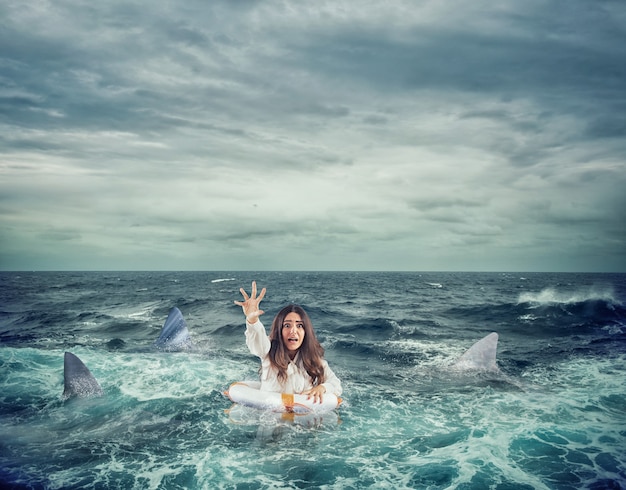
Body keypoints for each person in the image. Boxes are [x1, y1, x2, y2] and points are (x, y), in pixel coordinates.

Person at [234, 281, 342, 404]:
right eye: (287, 325)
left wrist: (322, 387)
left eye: (300, 325)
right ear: (279, 330)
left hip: (303, 419)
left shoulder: (314, 360)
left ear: (306, 331)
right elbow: (258, 343)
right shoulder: (268, 351)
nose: (293, 331)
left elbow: (336, 384)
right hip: (270, 419)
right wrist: (252, 321)